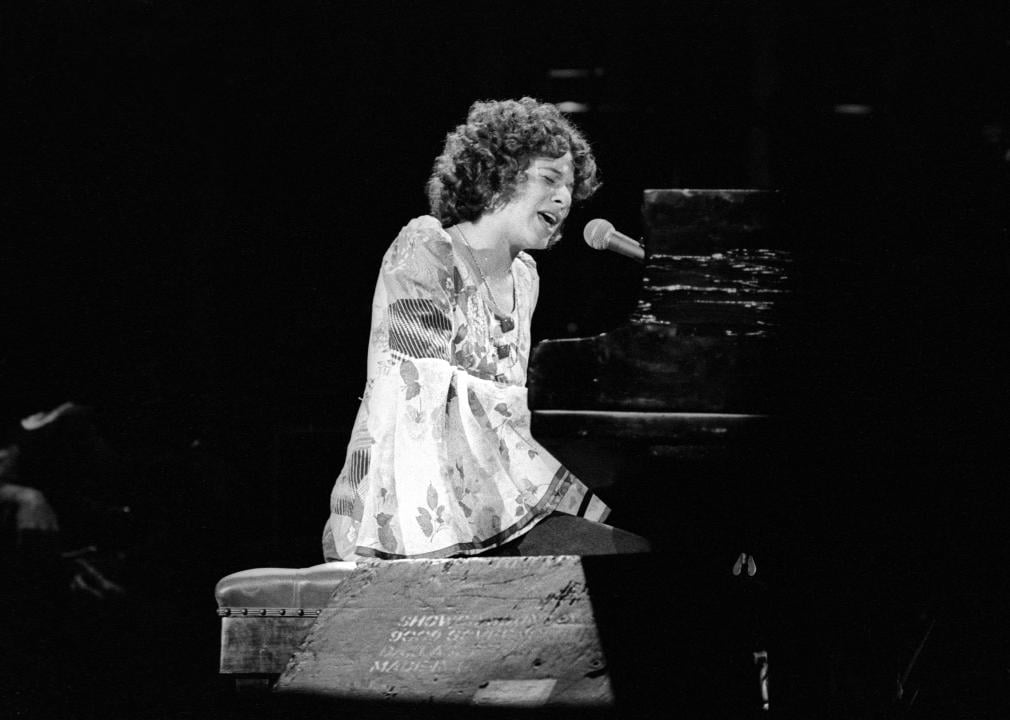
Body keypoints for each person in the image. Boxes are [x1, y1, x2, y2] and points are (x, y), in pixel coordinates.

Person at [322, 97, 649, 560]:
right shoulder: (427, 245)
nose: (564, 198)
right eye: (549, 179)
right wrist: (541, 409)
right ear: (497, 174)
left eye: (571, 188)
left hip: (494, 502)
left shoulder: (524, 278)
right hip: (405, 507)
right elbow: (417, 394)